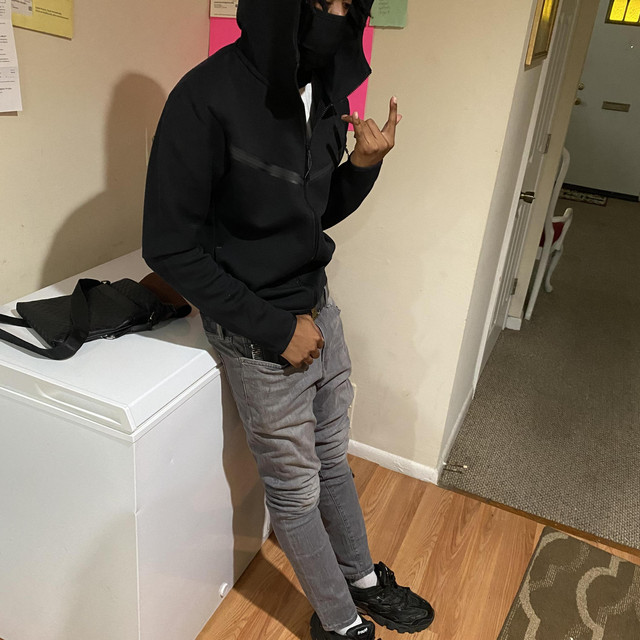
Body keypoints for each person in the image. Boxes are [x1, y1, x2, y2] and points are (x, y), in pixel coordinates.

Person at [142, 0, 434, 638]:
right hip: (258, 334)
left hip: (319, 308)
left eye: (347, 4)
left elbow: (309, 214)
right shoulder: (204, 98)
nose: (336, 16)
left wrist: (362, 168)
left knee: (331, 456)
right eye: (322, 1)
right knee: (296, 490)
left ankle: (361, 581)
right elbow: (168, 247)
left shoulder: (323, 92)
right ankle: (338, 622)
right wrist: (276, 331)